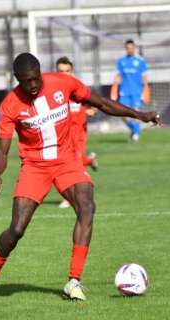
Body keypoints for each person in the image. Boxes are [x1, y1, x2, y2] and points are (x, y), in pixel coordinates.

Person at [0, 52, 160, 302]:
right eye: (25, 81)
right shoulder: (10, 104)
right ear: (17, 80)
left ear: (40, 72)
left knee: (87, 207)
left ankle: (74, 281)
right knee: (17, 229)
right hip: (34, 166)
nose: (32, 85)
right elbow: (2, 150)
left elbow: (102, 104)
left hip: (66, 160)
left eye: (35, 78)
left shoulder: (63, 82)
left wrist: (140, 115)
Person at [55, 56, 99, 209]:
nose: (64, 74)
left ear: (71, 71)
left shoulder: (79, 87)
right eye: (61, 71)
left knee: (75, 162)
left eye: (67, 71)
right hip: (61, 135)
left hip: (78, 133)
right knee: (60, 165)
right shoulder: (52, 91)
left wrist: (91, 110)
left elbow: (93, 104)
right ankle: (91, 160)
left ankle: (70, 198)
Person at [110, 39, 151, 143]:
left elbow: (144, 77)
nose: (130, 50)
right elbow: (118, 76)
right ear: (126, 49)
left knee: (136, 113)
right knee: (122, 115)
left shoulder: (140, 61)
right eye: (128, 48)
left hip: (136, 92)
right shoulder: (121, 61)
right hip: (124, 92)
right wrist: (114, 89)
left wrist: (145, 90)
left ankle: (136, 135)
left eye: (131, 48)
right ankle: (135, 129)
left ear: (134, 48)